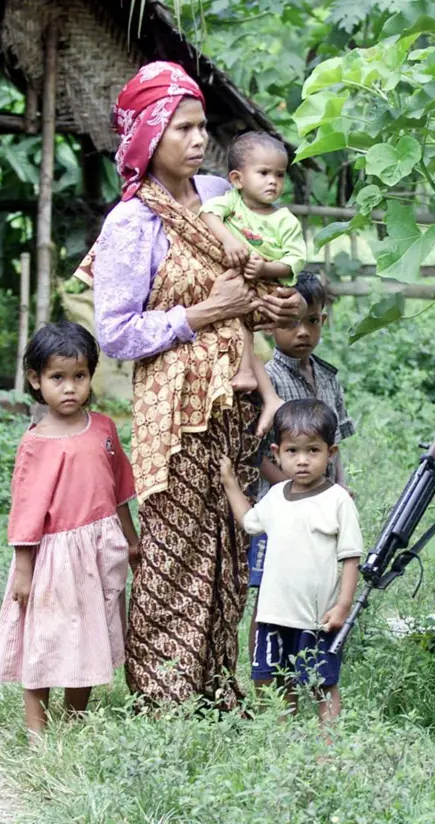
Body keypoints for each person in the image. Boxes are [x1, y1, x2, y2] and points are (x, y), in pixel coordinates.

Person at [80, 61, 306, 708]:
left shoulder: (219, 196)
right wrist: (200, 316)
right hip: (173, 408)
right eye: (183, 127)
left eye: (202, 125)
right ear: (150, 135)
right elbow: (117, 333)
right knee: (176, 546)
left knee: (227, 543)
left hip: (237, 398)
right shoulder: (133, 223)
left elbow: (251, 286)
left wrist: (277, 308)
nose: (199, 139)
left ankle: (213, 692)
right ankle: (162, 697)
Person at [0, 322, 138, 740]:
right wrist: (23, 569)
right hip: (53, 558)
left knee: (89, 634)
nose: (70, 388)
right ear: (36, 380)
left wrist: (131, 538)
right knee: (46, 637)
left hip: (98, 550)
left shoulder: (105, 429)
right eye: (57, 378)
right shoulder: (37, 442)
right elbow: (26, 510)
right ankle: (38, 733)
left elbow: (120, 487)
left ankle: (76, 719)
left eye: (79, 376)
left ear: (91, 375)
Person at [219, 399, 363, 725]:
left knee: (322, 683)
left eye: (313, 451)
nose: (302, 461)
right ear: (277, 452)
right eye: (292, 451)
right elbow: (250, 522)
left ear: (332, 452)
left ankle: (329, 748)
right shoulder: (276, 495)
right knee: (278, 679)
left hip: (316, 617)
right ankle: (287, 742)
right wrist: (230, 483)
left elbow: (351, 557)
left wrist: (343, 605)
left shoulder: (337, 500)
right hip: (274, 613)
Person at [246, 273, 355, 657]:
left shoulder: (327, 378)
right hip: (281, 510)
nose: (302, 332)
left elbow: (336, 442)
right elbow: (259, 454)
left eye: (312, 320)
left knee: (317, 584)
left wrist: (338, 487)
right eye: (290, 323)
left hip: (323, 510)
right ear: (270, 323)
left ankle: (309, 665)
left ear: (323, 320)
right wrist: (298, 491)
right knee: (272, 595)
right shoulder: (266, 381)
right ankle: (266, 678)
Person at [200, 131, 306, 395]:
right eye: (264, 173)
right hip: (235, 278)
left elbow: (294, 261)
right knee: (232, 319)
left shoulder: (285, 220)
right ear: (237, 179)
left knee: (244, 320)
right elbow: (207, 214)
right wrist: (229, 241)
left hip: (265, 284)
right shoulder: (232, 202)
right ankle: (256, 383)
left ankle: (253, 375)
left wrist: (266, 268)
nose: (273, 182)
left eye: (279, 175)